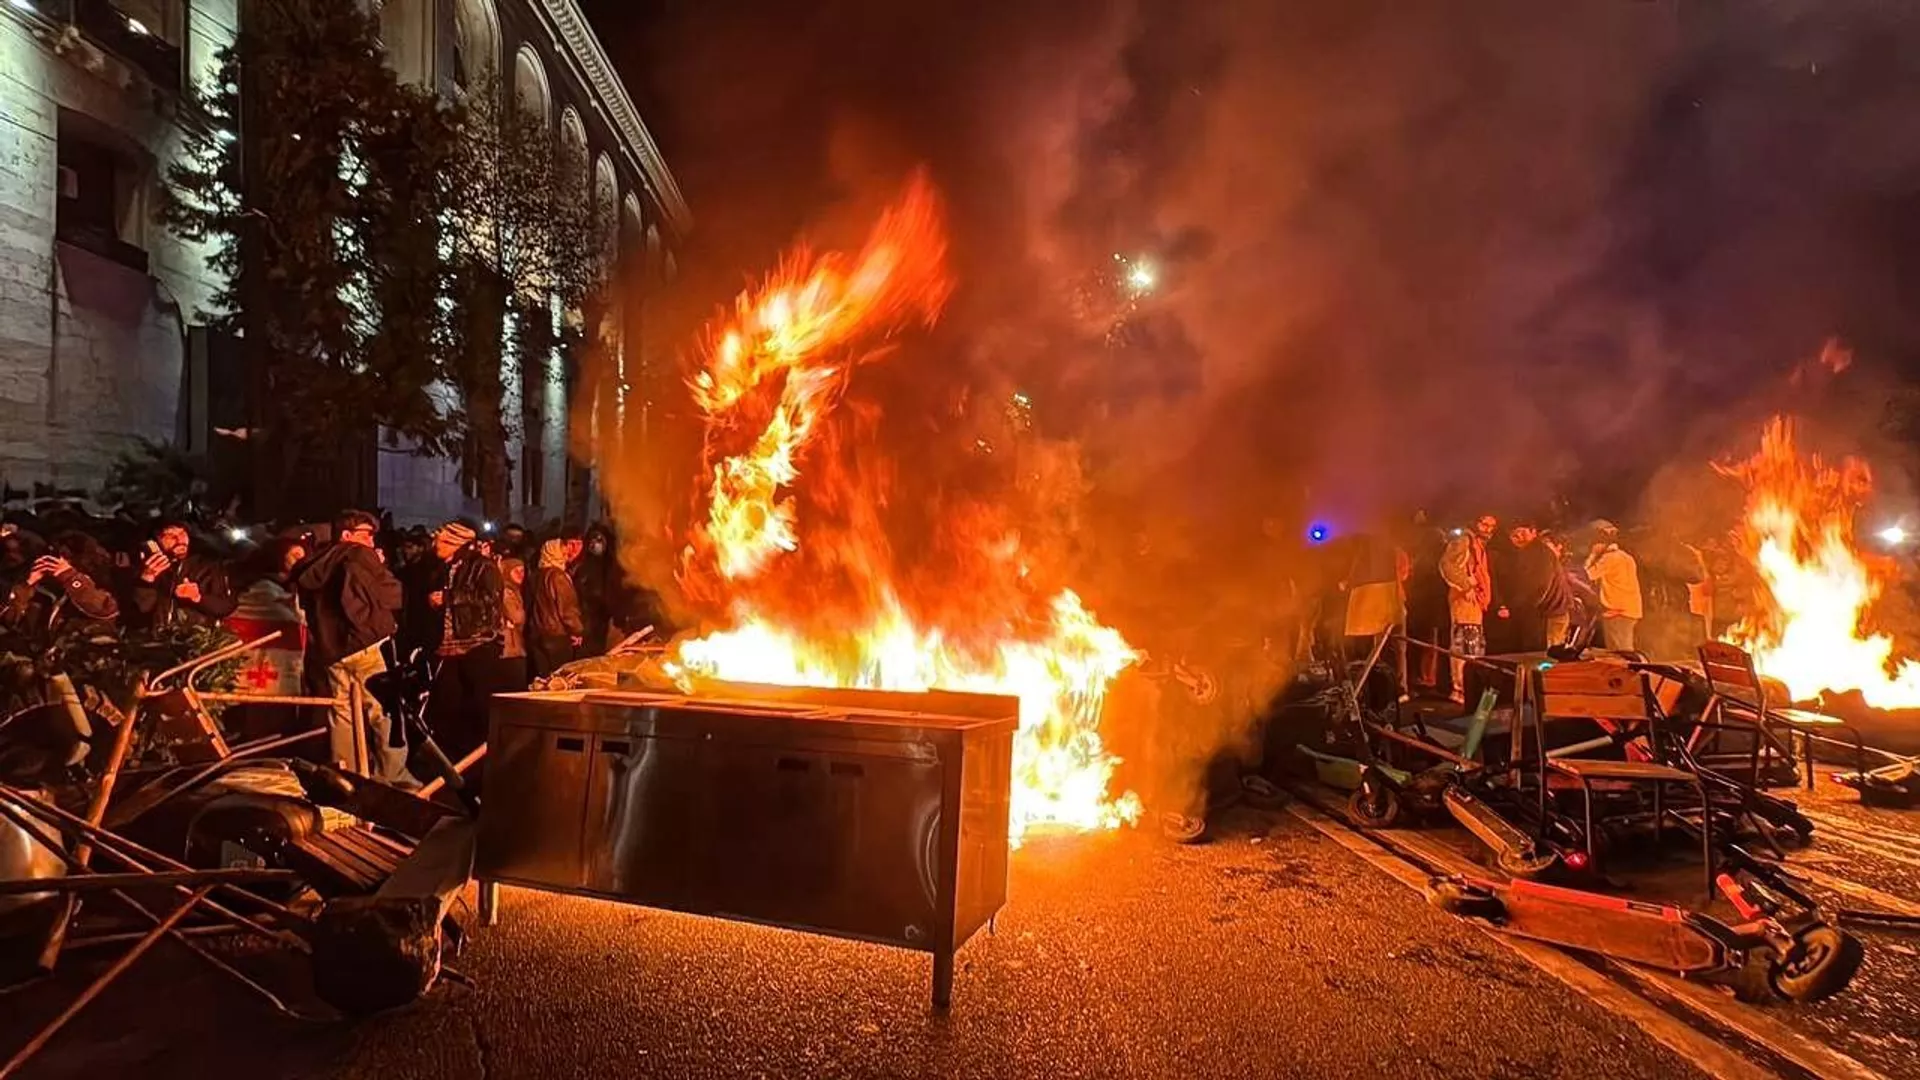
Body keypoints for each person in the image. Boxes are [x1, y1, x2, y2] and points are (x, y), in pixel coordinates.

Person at [294, 510, 411, 785]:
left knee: (343, 713)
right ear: (347, 536)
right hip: (368, 644)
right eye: (367, 534)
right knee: (385, 711)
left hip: (333, 650)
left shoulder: (314, 564)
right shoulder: (358, 555)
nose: (372, 541)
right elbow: (391, 595)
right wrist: (380, 568)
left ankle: (347, 775)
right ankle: (393, 776)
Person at [424, 521, 505, 765]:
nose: (433, 545)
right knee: (449, 705)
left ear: (454, 543)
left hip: (477, 645)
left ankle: (484, 758)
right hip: (448, 647)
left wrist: (449, 597)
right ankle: (455, 759)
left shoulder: (483, 567)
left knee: (479, 704)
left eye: (439, 541)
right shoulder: (441, 568)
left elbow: (491, 599)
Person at [1, 533, 119, 634]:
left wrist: (69, 576)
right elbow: (9, 623)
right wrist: (27, 586)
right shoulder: (37, 591)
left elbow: (105, 611)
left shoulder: (97, 587)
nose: (59, 561)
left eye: (65, 556)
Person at [130, 521, 236, 630]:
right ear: (155, 541)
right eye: (170, 535)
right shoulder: (144, 566)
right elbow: (139, 612)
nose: (180, 540)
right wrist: (146, 580)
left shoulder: (208, 565)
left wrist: (198, 598)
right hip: (157, 639)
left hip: (197, 638)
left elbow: (227, 606)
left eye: (182, 534)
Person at [1439, 514, 1496, 701]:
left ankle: (1469, 688)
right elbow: (1446, 565)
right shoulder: (1464, 541)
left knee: (1472, 645)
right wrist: (1466, 586)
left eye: (1491, 526)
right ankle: (1461, 689)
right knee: (1463, 644)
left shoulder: (1477, 545)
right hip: (1465, 602)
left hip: (1474, 602)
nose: (1487, 529)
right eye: (1484, 523)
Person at [1507, 524, 1574, 650]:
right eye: (1514, 534)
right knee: (1547, 656)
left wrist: (1521, 609)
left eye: (1522, 532)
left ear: (1533, 532)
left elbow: (1540, 585)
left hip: (1550, 614)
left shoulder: (1538, 552)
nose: (1518, 537)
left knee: (1547, 658)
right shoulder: (1532, 552)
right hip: (1550, 612)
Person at [529, 533, 585, 679]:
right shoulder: (557, 576)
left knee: (543, 679)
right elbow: (567, 608)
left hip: (536, 634)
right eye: (563, 548)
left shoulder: (535, 576)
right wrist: (577, 630)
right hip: (556, 636)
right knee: (559, 679)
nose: (567, 552)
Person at [1585, 520, 1644, 652]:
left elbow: (1587, 575)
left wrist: (1593, 555)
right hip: (1629, 611)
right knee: (1626, 650)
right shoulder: (1626, 557)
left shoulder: (1609, 559)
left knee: (1619, 653)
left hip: (1617, 612)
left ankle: (1628, 672)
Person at [574, 524, 616, 655]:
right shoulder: (582, 565)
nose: (594, 544)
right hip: (586, 618)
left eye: (599, 540)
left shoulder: (611, 566)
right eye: (592, 540)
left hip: (604, 617)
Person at [498, 555, 529, 689]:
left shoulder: (515, 590)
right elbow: (516, 616)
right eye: (516, 571)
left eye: (522, 571)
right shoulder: (506, 591)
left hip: (513, 645)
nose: (520, 575)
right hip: (509, 647)